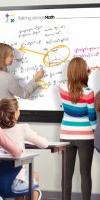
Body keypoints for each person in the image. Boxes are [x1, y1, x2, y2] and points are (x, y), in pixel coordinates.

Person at [0, 97, 48, 200]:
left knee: (29, 174)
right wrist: (36, 135)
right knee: (32, 176)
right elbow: (44, 144)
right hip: (14, 183)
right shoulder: (22, 129)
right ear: (16, 113)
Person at [59, 57, 97, 200]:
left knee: (66, 174)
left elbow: (73, 87)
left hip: (66, 135)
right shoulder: (88, 92)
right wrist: (95, 130)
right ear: (84, 72)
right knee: (85, 174)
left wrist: (82, 74)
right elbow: (91, 116)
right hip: (86, 137)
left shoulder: (62, 88)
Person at [0, 43, 44, 117]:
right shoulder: (7, 78)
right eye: (11, 56)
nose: (13, 58)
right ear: (3, 57)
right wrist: (35, 79)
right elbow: (24, 94)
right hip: (2, 121)